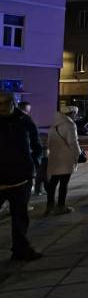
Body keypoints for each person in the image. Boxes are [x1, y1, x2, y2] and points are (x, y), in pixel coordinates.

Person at [0, 92, 43, 261]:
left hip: (21, 178)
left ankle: (20, 249)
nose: (1, 107)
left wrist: (34, 164)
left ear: (13, 103)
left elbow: (36, 145)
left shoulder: (25, 121)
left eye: (4, 103)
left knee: (20, 217)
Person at [45, 106, 82, 215]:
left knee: (53, 182)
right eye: (75, 113)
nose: (75, 116)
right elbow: (73, 142)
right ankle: (61, 206)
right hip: (66, 158)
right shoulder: (69, 125)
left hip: (55, 158)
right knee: (64, 183)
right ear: (72, 113)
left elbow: (48, 143)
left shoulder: (54, 125)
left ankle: (50, 205)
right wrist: (78, 154)